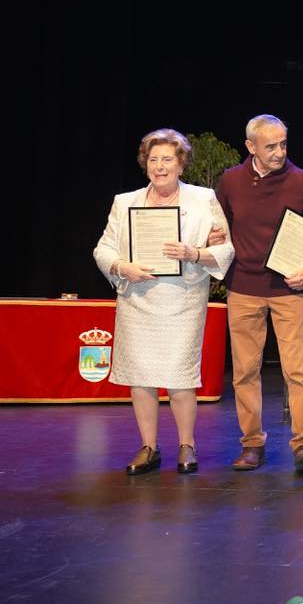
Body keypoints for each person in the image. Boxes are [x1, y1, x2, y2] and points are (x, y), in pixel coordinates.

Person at [93, 129, 234, 475]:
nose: (160, 166)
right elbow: (103, 248)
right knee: (140, 377)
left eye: (167, 159)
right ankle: (149, 447)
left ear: (181, 164)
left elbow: (225, 249)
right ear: (145, 164)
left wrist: (194, 253)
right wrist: (121, 266)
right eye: (153, 159)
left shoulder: (203, 199)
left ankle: (187, 444)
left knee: (180, 377)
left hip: (182, 301)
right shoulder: (125, 202)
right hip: (137, 300)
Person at [215, 114, 303, 473]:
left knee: (298, 371)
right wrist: (213, 238)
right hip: (243, 288)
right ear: (250, 146)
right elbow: (219, 227)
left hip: (289, 289)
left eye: (283, 144)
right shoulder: (231, 181)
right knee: (245, 372)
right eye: (270, 146)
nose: (280, 152)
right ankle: (252, 444)